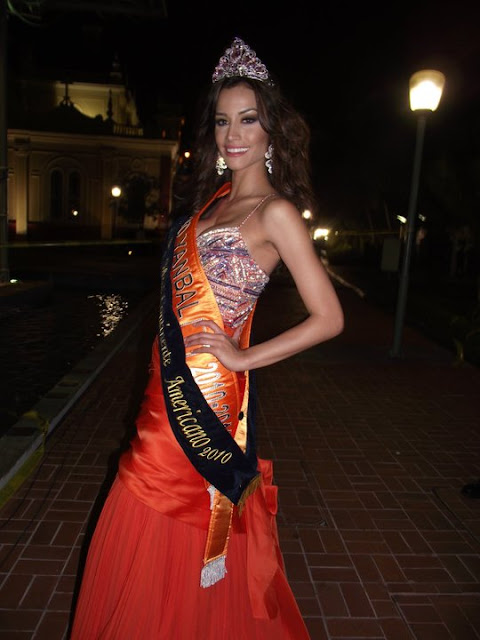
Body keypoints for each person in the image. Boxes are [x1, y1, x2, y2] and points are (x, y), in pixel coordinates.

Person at [70, 37, 344, 639]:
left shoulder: (276, 213)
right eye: (222, 120)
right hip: (163, 390)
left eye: (248, 119)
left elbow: (329, 318)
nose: (232, 134)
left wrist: (244, 358)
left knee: (161, 494)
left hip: (209, 400)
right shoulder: (210, 204)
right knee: (148, 495)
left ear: (272, 131)